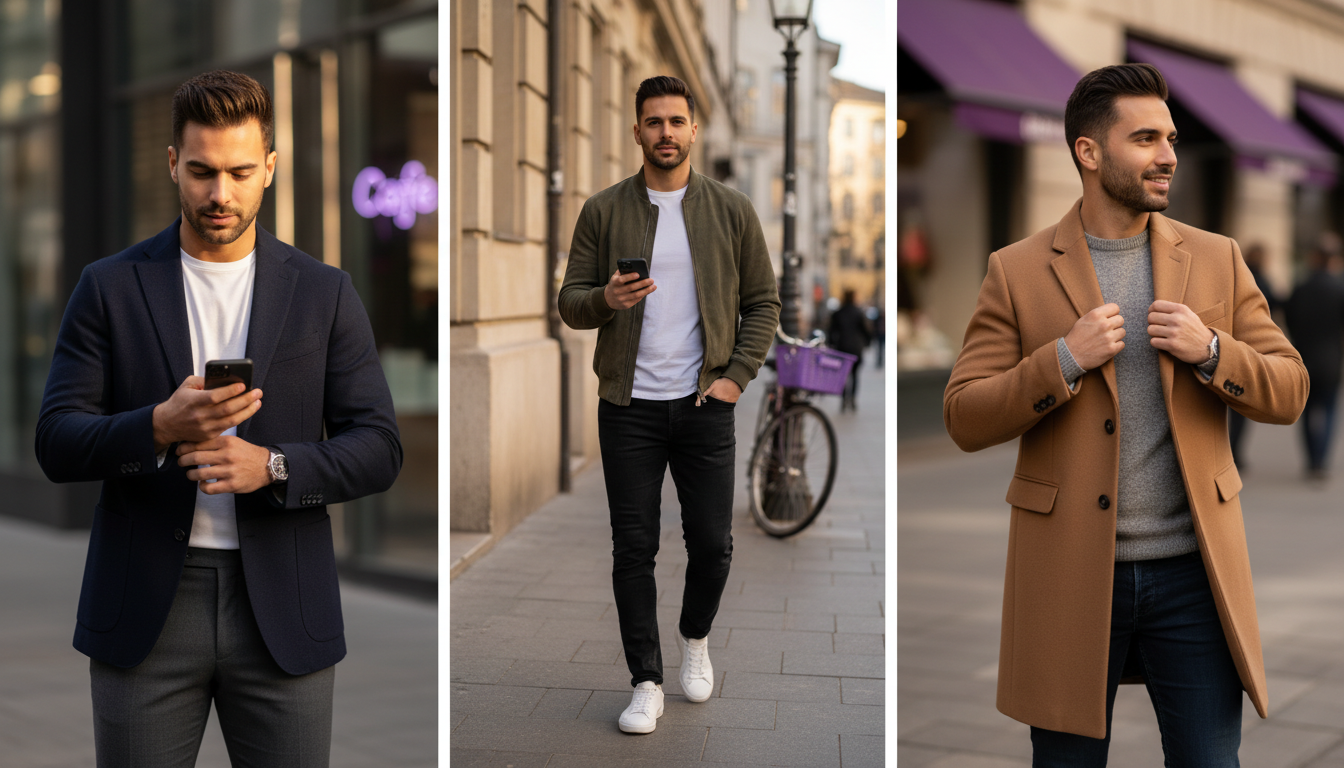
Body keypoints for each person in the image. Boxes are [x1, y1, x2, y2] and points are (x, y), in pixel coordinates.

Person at [35, 70, 402, 767]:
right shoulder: (109, 287)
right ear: (172, 162)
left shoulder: (325, 293)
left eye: (239, 171)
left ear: (270, 166)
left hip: (284, 610)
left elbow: (380, 445)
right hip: (144, 605)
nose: (219, 194)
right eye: (201, 171)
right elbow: (56, 440)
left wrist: (272, 466)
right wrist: (157, 426)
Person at [943, 63, 1307, 765]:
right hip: (1069, 572)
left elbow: (1290, 390)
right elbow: (963, 415)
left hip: (1194, 574)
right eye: (1144, 138)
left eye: (1169, 137)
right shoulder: (1015, 270)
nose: (1168, 153)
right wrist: (1062, 361)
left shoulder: (1217, 257)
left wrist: (1212, 351)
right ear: (1088, 151)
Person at [558, 75, 780, 734]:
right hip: (628, 407)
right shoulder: (603, 209)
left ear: (692, 130)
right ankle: (646, 681)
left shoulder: (731, 210)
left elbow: (763, 303)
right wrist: (606, 300)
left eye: (676, 121)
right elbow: (570, 300)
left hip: (706, 402)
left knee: (712, 545)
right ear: (636, 132)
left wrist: (737, 376)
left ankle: (695, 638)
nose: (665, 133)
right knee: (634, 548)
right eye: (653, 122)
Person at [1285, 233, 1344, 479]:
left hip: (1304, 357)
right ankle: (1321, 461)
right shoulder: (1340, 288)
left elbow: (1290, 320)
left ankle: (1311, 460)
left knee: (1306, 410)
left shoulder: (1301, 287)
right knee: (1329, 409)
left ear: (1315, 258)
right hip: (1332, 359)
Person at [1227, 242, 1280, 466]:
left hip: (1226, 344)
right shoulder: (1262, 281)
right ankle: (1235, 453)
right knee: (1241, 405)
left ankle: (1228, 451)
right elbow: (1274, 305)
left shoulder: (1236, 274)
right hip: (1249, 352)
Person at [827, 289, 871, 410]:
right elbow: (865, 330)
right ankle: (852, 399)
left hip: (842, 347)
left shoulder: (838, 313)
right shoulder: (858, 312)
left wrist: (831, 345)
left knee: (844, 375)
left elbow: (831, 331)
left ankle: (844, 399)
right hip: (856, 347)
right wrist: (867, 342)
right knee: (855, 375)